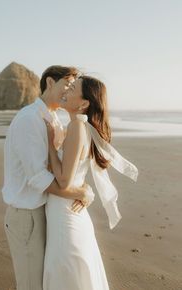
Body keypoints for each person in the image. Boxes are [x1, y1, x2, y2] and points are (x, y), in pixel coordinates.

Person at [2, 66, 95, 290]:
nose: (69, 91)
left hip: (45, 212)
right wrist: (81, 192)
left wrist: (83, 187)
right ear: (50, 83)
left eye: (73, 87)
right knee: (31, 284)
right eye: (67, 85)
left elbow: (63, 167)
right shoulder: (29, 120)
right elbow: (38, 178)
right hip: (27, 215)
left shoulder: (53, 119)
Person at [43, 75, 138, 290]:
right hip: (68, 212)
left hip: (66, 215)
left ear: (84, 103)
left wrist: (50, 146)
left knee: (66, 275)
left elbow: (65, 181)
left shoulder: (77, 127)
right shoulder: (77, 127)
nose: (66, 91)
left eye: (72, 88)